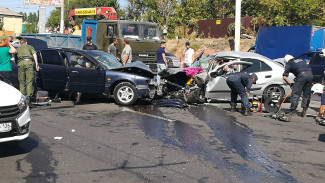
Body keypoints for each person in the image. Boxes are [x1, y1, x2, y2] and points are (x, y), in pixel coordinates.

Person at [16, 38, 39, 103]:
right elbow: (34, 54)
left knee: (21, 82)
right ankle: (28, 99)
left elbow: (15, 58)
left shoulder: (18, 49)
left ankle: (22, 99)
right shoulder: (30, 47)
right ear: (26, 42)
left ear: (20, 43)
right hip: (29, 63)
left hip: (20, 64)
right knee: (29, 81)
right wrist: (36, 63)